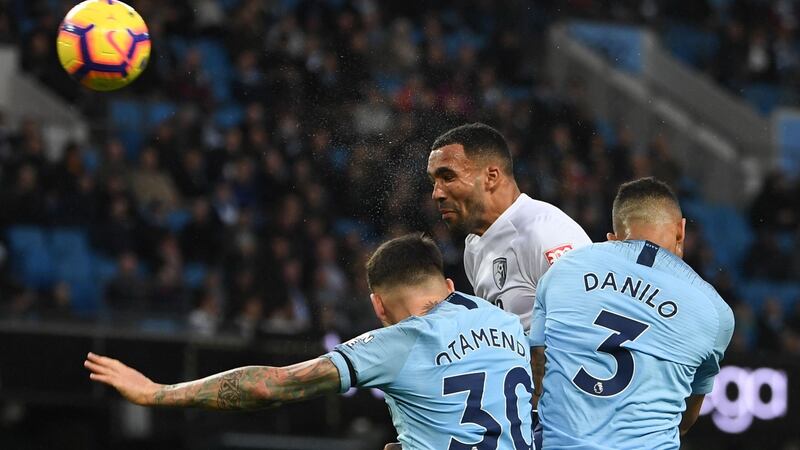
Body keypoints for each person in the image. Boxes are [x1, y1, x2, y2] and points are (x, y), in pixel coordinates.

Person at [85, 234, 534, 450]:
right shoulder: (509, 325)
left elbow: (269, 385)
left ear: (378, 306)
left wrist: (157, 393)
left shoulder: (398, 340)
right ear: (449, 283)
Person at [529, 177, 734, 449]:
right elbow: (685, 418)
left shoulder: (563, 270)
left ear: (612, 239)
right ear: (681, 231)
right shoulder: (715, 311)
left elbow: (537, 367)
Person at [427, 122, 592, 448]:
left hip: (570, 424)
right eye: (433, 181)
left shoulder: (546, 235)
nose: (436, 193)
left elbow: (590, 335)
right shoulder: (474, 247)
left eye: (447, 177)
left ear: (491, 177)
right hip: (527, 421)